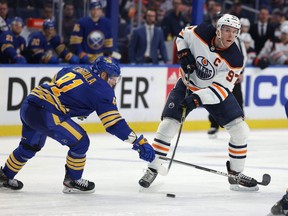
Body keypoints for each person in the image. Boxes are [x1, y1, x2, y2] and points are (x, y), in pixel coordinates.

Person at [138, 14, 259, 192]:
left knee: (240, 130)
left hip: (213, 92)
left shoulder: (235, 58)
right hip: (187, 85)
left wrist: (197, 99)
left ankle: (236, 173)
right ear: (218, 29)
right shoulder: (201, 31)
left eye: (234, 32)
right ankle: (153, 168)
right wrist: (184, 53)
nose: (230, 36)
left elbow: (221, 90)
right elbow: (181, 36)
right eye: (226, 30)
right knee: (167, 126)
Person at [0, 56, 155, 193]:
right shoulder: (103, 90)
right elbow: (113, 124)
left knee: (29, 146)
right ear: (103, 74)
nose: (114, 82)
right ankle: (72, 181)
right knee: (81, 142)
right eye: (113, 78)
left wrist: (75, 104)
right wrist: (138, 141)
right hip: (47, 113)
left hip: (30, 104)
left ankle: (4, 176)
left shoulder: (77, 68)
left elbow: (57, 78)